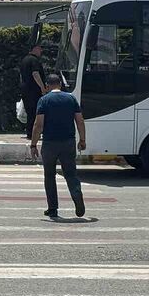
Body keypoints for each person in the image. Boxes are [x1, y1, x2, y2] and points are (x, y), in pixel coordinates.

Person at [30, 73, 86, 219]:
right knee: (71, 174)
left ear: (47, 86)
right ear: (60, 84)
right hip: (68, 142)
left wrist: (33, 144)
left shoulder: (44, 100)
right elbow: (80, 121)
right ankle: (77, 195)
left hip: (50, 143)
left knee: (49, 176)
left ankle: (52, 209)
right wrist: (82, 140)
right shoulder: (71, 98)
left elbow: (38, 125)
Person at [19, 45, 47, 139]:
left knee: (30, 112)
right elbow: (35, 74)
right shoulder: (34, 60)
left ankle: (30, 133)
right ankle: (34, 133)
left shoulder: (24, 60)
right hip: (34, 90)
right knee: (36, 112)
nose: (41, 51)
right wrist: (42, 88)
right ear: (34, 49)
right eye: (39, 49)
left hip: (25, 89)